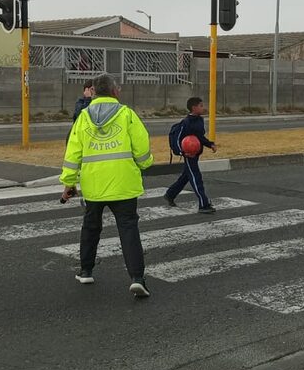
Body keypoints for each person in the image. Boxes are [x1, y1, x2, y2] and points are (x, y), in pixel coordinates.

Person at [60, 74, 155, 297]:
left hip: (93, 185)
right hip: (123, 184)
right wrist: (145, 164)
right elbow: (141, 147)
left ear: (93, 92)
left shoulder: (83, 118)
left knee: (91, 227)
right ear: (115, 91)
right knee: (128, 229)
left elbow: (72, 153)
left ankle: (85, 271)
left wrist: (69, 183)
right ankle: (137, 278)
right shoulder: (127, 115)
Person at [164, 96, 217, 214]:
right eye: (201, 106)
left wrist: (210, 144)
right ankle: (204, 204)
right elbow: (178, 139)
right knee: (196, 178)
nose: (203, 108)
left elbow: (199, 137)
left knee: (186, 176)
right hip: (189, 155)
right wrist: (182, 152)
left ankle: (170, 194)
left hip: (196, 153)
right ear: (194, 107)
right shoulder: (186, 122)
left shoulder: (200, 120)